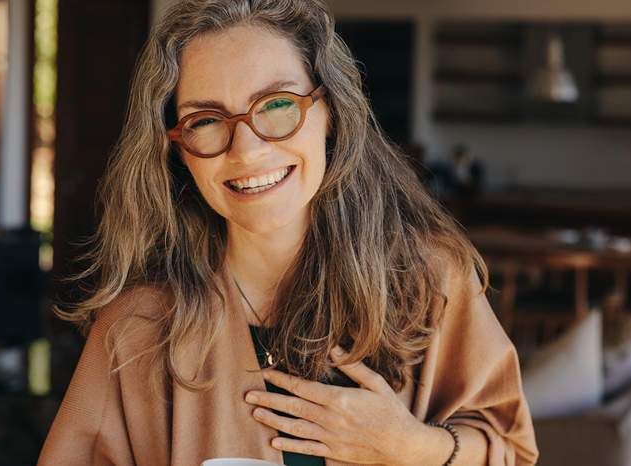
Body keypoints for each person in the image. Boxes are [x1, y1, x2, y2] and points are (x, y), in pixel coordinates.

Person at [38, 1, 538, 465]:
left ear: (330, 113)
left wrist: (411, 447)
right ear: (177, 149)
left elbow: (511, 450)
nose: (247, 150)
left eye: (277, 104)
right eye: (206, 119)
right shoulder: (136, 328)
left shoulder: (428, 279)